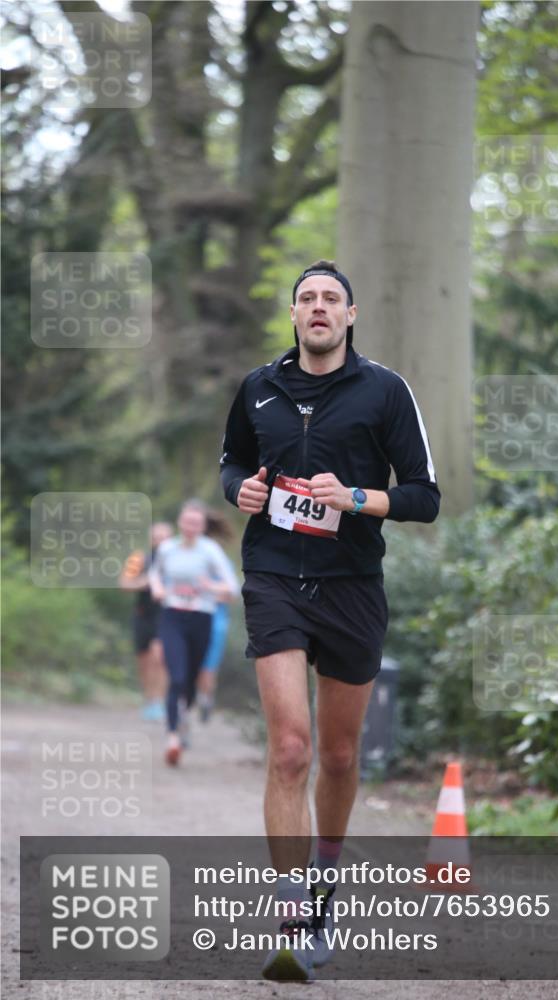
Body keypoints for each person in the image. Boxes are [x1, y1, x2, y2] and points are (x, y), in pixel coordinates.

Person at [220, 259, 440, 981]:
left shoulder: (383, 391)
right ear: (292, 316)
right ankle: (290, 921)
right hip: (275, 576)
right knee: (289, 748)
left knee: (339, 758)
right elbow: (232, 465)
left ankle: (325, 887)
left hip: (351, 583)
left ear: (349, 316)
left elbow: (422, 496)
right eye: (306, 298)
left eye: (330, 299)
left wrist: (354, 497)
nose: (317, 308)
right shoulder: (258, 389)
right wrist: (242, 491)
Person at [149, 499, 240, 766]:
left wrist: (209, 587)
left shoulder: (210, 551)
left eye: (196, 523)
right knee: (175, 676)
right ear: (180, 522)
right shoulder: (167, 549)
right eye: (187, 522)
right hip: (173, 616)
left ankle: (183, 717)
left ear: (203, 526)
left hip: (202, 617)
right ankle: (173, 738)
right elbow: (155, 574)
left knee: (190, 680)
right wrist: (157, 589)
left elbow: (232, 589)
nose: (190, 527)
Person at [119, 521, 173, 721]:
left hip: (167, 615)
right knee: (144, 661)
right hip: (143, 615)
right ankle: (150, 699)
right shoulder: (139, 558)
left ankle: (160, 701)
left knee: (159, 657)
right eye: (156, 537)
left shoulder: (178, 560)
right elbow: (124, 583)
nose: (160, 542)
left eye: (164, 537)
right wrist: (146, 582)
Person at [197, 510, 238, 722]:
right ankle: (181, 706)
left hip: (214, 620)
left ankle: (205, 698)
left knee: (207, 667)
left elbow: (231, 593)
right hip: (185, 616)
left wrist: (208, 588)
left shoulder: (217, 556)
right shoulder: (178, 551)